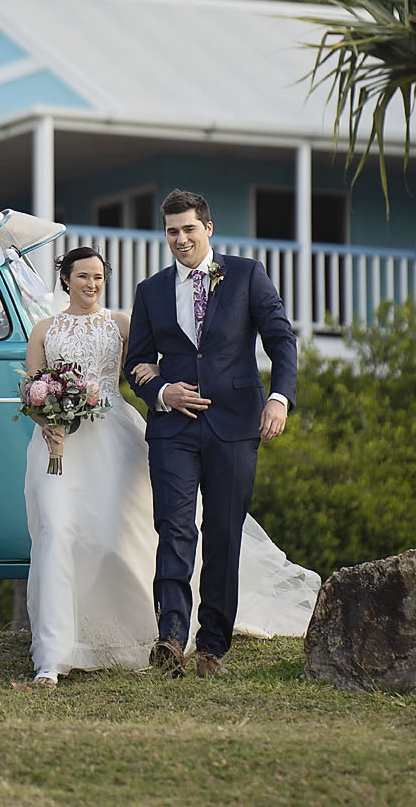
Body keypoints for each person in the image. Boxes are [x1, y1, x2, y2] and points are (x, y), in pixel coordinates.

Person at [24, 242, 316, 689]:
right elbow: (40, 385)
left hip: (137, 433)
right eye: (82, 276)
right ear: (65, 278)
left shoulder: (128, 317)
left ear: (206, 229)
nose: (91, 283)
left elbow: (149, 360)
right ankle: (68, 648)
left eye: (98, 277)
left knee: (158, 533)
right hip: (72, 443)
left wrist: (277, 397)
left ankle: (191, 640)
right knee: (66, 531)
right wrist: (52, 415)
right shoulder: (64, 322)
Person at [126, 189, 298, 680]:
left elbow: (281, 340)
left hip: (237, 424)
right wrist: (162, 392)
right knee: (174, 530)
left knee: (223, 534)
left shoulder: (246, 274)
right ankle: (170, 638)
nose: (180, 239)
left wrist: (279, 399)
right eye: (172, 232)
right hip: (172, 431)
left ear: (208, 228)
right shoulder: (151, 290)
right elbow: (136, 361)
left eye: (188, 229)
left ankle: (212, 647)